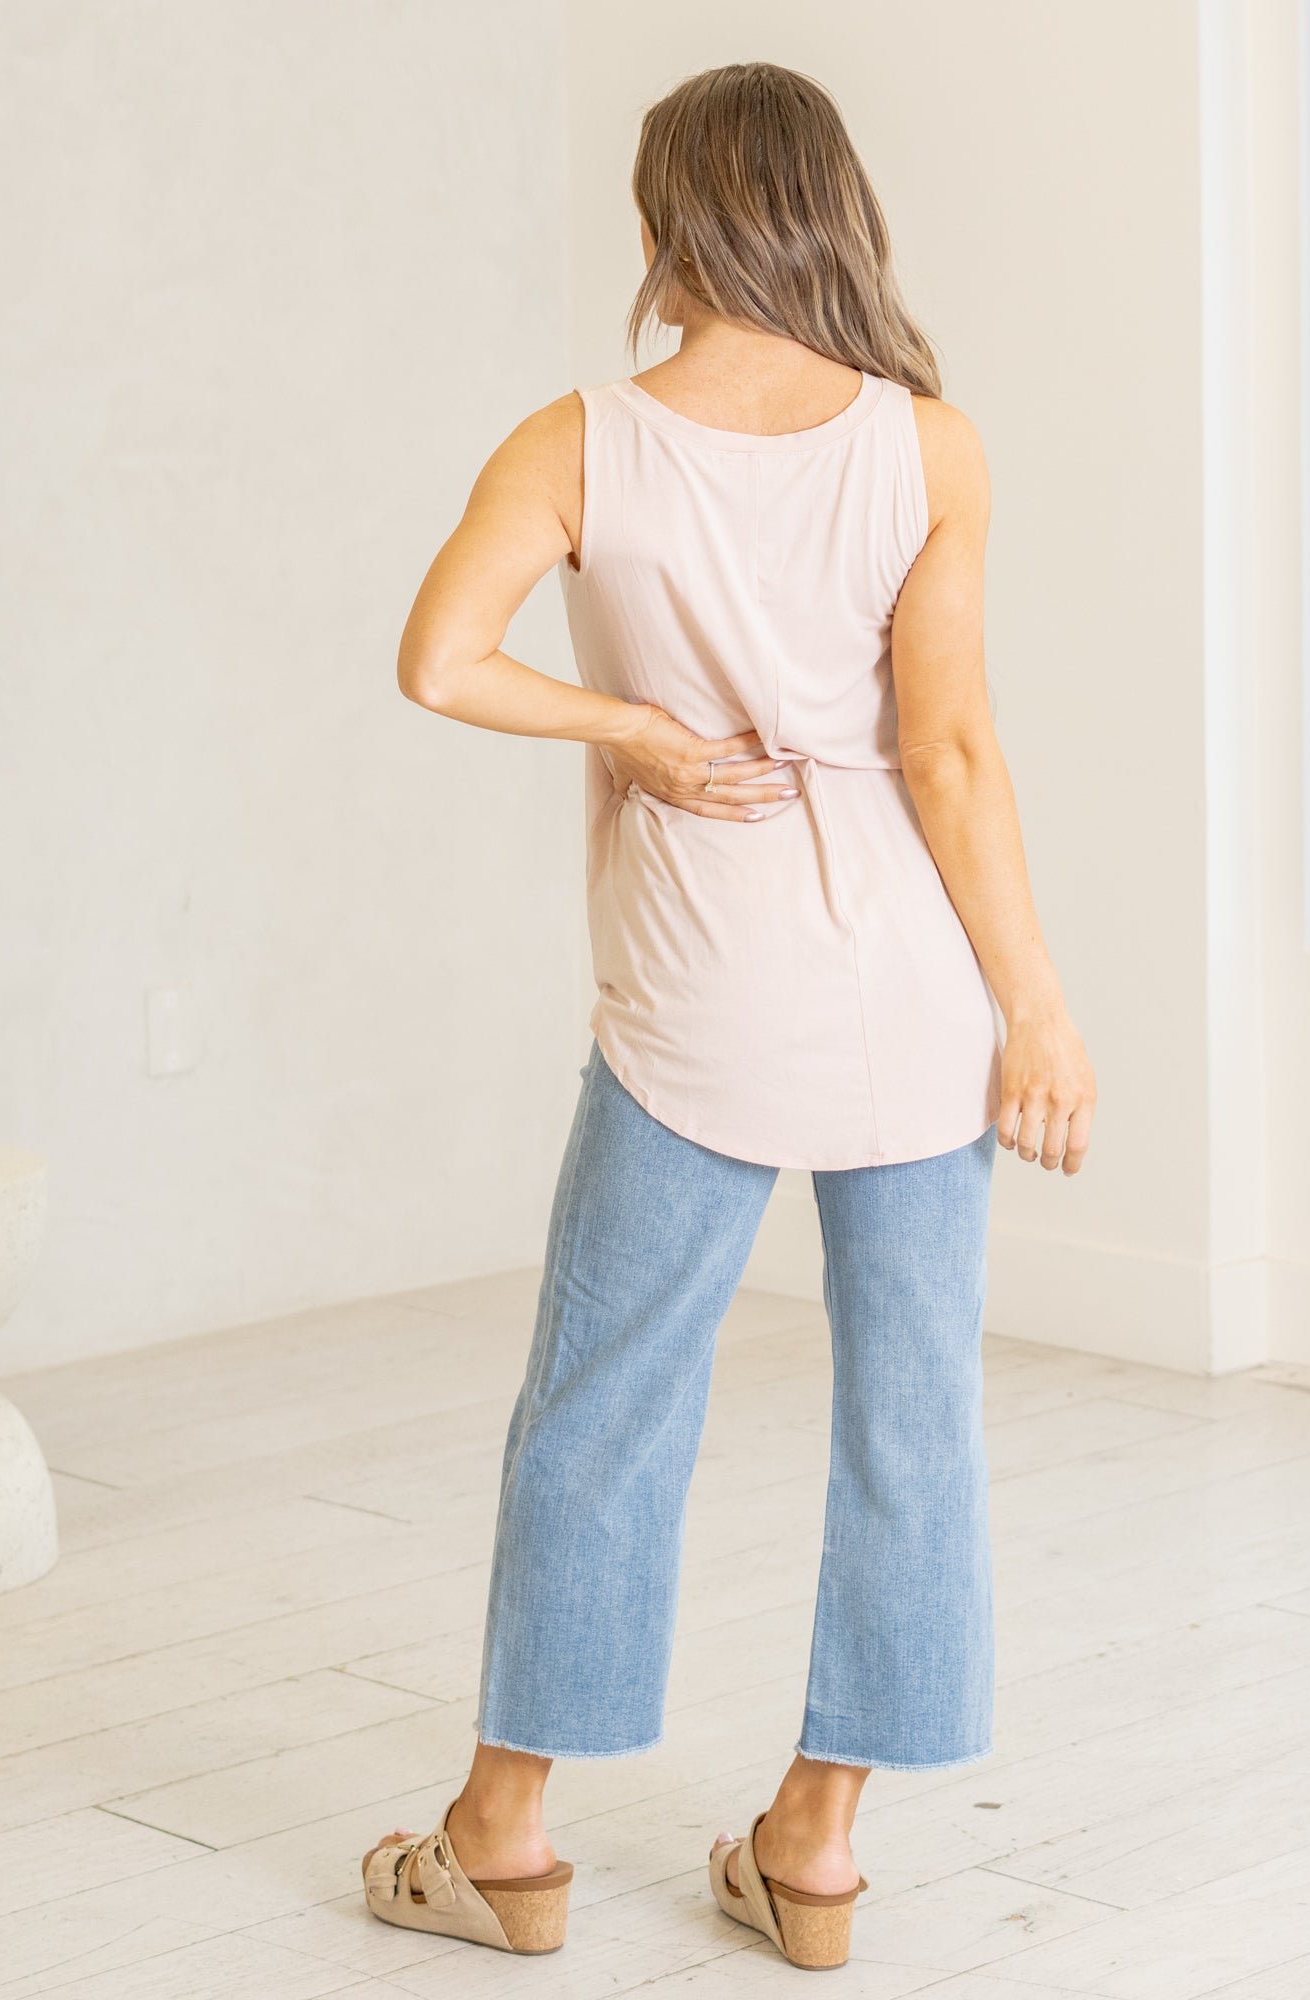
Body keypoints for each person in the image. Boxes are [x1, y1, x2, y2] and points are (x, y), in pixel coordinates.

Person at [360, 59, 1096, 1971]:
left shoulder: (581, 441)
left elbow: (441, 661)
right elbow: (949, 753)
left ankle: (503, 1840)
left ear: (667, 219)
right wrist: (1035, 1009)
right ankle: (815, 1854)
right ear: (832, 206)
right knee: (915, 1426)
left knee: (602, 1407)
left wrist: (633, 729)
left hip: (700, 999)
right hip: (914, 996)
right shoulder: (930, 446)